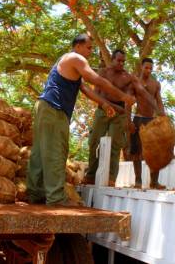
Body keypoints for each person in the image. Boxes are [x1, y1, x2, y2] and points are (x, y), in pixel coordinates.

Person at [27, 34, 135, 205]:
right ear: (78, 46)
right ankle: (55, 198)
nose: (91, 51)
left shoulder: (70, 63)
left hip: (46, 108)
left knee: (40, 152)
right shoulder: (75, 58)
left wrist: (105, 104)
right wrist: (123, 96)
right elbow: (97, 81)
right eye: (89, 47)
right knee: (56, 151)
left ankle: (35, 193)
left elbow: (85, 89)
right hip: (54, 110)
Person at [85, 49, 139, 185]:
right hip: (102, 109)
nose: (121, 63)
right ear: (112, 59)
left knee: (115, 145)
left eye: (123, 61)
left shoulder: (127, 77)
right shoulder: (103, 73)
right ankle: (91, 174)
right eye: (119, 60)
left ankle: (111, 178)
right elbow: (95, 93)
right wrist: (108, 106)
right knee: (94, 141)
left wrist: (128, 119)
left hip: (119, 115)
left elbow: (128, 101)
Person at [128, 58, 166, 188]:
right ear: (141, 67)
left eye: (151, 68)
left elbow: (159, 102)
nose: (148, 70)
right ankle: (138, 181)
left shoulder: (155, 84)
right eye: (146, 67)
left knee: (155, 152)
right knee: (136, 152)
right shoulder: (134, 82)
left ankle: (154, 182)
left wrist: (163, 118)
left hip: (152, 120)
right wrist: (128, 121)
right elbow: (128, 102)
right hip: (138, 119)